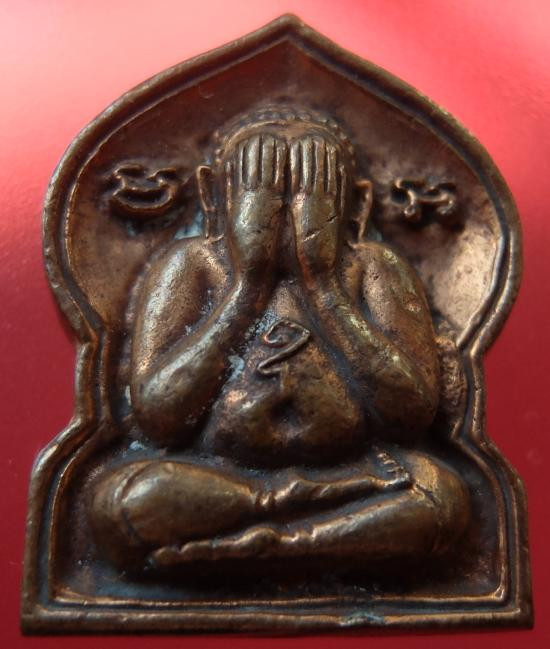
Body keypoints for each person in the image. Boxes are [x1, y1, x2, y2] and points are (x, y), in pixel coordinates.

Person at [90, 108, 469, 571]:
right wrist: (247, 285)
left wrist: (323, 286)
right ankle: (284, 514)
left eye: (312, 191)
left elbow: (410, 415)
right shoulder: (192, 265)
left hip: (360, 476)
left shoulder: (374, 267)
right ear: (214, 196)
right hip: (219, 483)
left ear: (356, 205)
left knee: (441, 495)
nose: (287, 211)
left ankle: (280, 543)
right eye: (264, 190)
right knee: (122, 501)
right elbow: (159, 418)